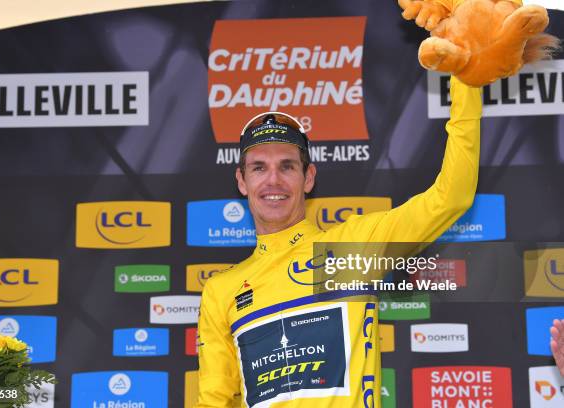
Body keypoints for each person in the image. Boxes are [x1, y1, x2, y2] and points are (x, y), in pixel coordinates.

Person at [195, 74, 481, 407]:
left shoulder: (349, 250)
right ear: (242, 181)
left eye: (287, 166)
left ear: (309, 178)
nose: (273, 180)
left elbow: (450, 198)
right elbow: (214, 400)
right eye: (259, 168)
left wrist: (467, 79)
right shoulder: (222, 290)